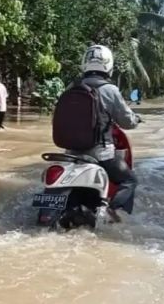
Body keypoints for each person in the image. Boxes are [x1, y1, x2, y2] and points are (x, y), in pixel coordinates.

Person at [60, 45, 141, 221]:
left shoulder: (71, 87)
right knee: (130, 180)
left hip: (71, 154)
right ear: (108, 64)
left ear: (85, 63)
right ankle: (113, 211)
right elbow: (126, 121)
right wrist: (136, 120)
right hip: (101, 155)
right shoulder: (110, 90)